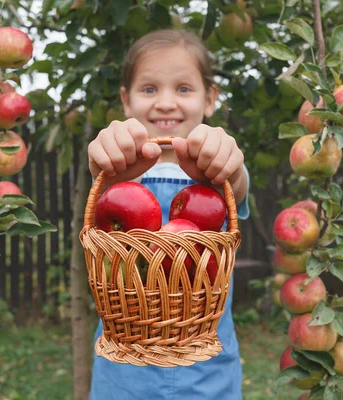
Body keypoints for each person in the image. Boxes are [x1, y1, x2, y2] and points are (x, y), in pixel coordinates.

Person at [87, 29, 250, 400]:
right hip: (123, 367)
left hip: (206, 367)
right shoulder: (122, 173)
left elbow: (237, 186)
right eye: (149, 89)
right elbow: (101, 179)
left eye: (183, 89)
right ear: (126, 101)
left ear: (210, 99)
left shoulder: (216, 174)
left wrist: (228, 164)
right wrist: (104, 158)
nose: (164, 103)